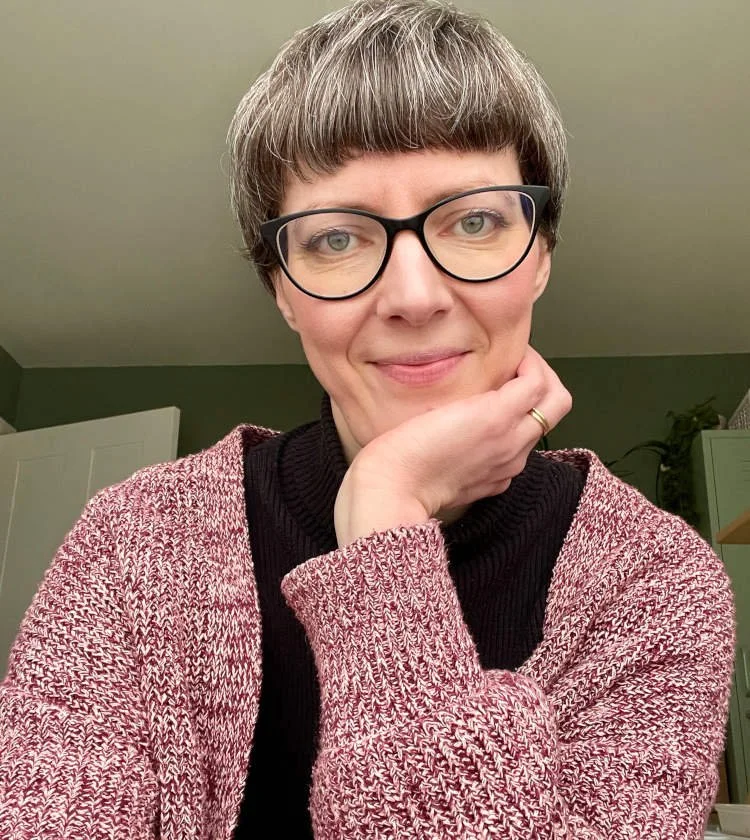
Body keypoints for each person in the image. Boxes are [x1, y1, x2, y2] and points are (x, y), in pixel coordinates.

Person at [0, 0, 736, 837]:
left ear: (540, 256)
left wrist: (385, 518)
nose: (414, 297)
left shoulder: (658, 582)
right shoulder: (133, 544)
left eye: (476, 220)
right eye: (337, 239)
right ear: (282, 292)